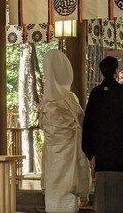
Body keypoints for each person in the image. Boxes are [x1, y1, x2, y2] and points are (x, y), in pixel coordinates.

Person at [82, 56, 123, 213]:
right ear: (116, 71)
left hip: (101, 156)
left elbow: (88, 124)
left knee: (103, 198)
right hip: (120, 155)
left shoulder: (95, 94)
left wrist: (91, 154)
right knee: (121, 198)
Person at [39, 49, 91, 213]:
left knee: (63, 193)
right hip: (67, 153)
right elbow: (81, 121)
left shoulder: (47, 101)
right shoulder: (70, 99)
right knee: (63, 192)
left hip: (60, 154)